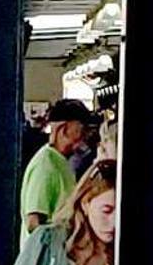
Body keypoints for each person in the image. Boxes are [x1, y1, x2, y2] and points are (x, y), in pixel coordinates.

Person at [20, 99, 99, 236]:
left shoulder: (60, 162)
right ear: (63, 129)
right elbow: (34, 222)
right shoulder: (45, 165)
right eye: (82, 129)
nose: (86, 135)